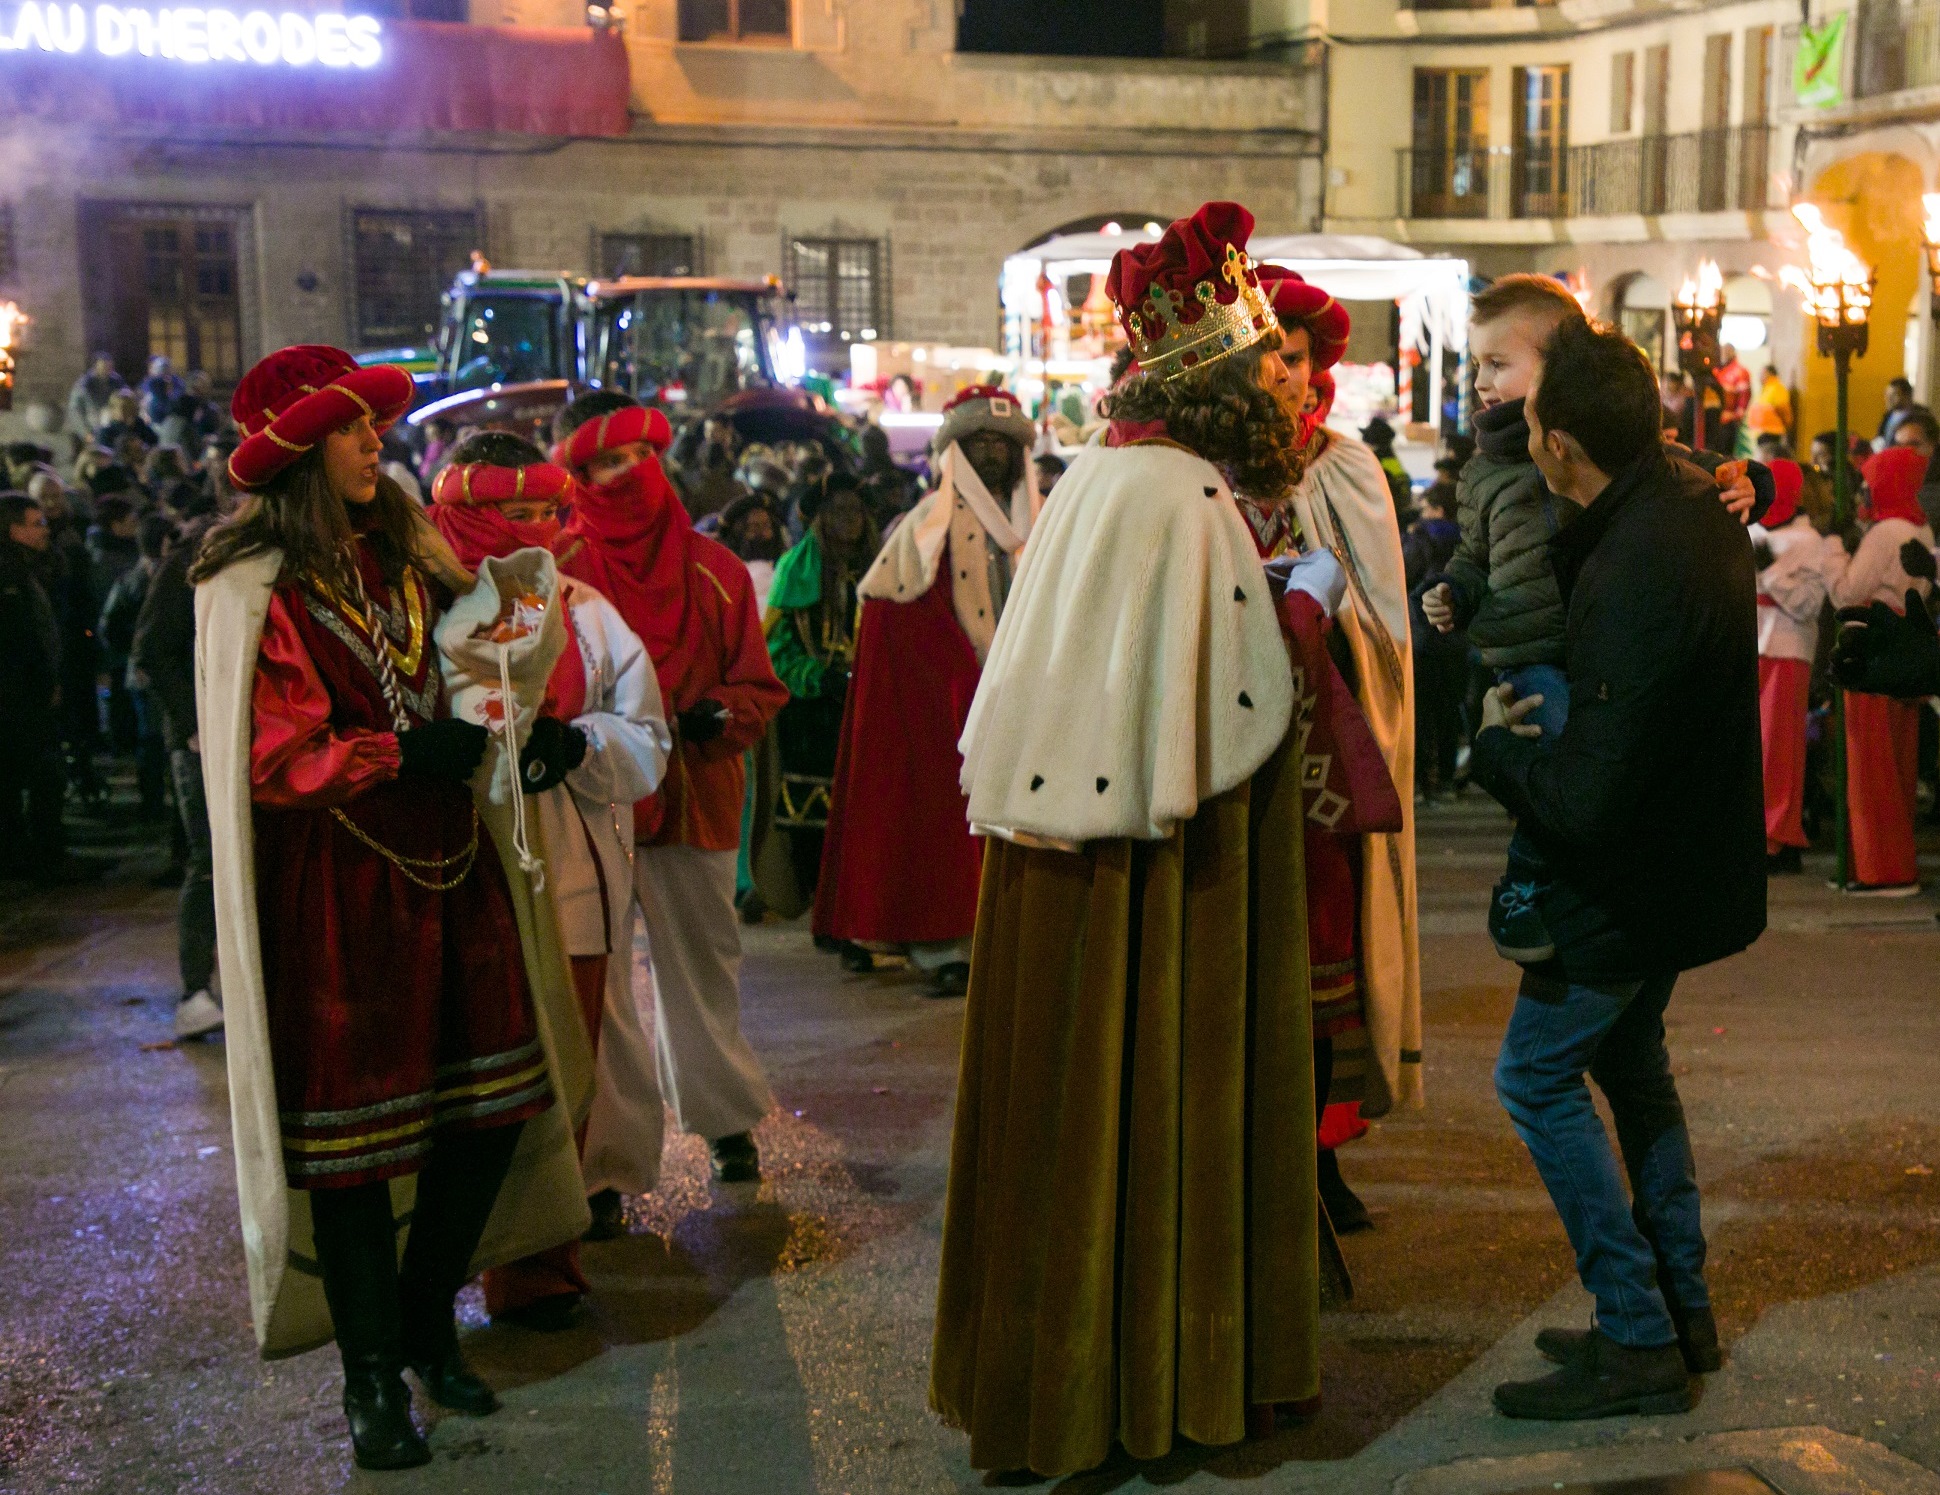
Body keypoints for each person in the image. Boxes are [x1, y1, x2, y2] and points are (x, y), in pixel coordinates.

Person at [936, 200, 1395, 1476]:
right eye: (1261, 365)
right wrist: (1298, 609)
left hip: (1069, 865)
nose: (1279, 385)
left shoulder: (1102, 481)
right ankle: (1147, 1383)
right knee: (1142, 1098)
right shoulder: (1184, 497)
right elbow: (1223, 707)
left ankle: (1073, 1377)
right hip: (1162, 878)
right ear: (1215, 382)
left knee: (1064, 1116)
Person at [190, 345, 592, 1470]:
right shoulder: (252, 585)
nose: (379, 441)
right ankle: (372, 1375)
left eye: (376, 424)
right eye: (356, 427)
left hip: (452, 863)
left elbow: (477, 671)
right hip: (340, 885)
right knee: (359, 1149)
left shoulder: (411, 560)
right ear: (304, 449)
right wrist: (399, 750)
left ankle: (425, 1320)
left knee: (493, 1107)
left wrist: (520, 717)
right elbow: (278, 754)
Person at [1470, 317, 1764, 1421]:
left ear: (1560, 447)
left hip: (1626, 881)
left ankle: (1637, 1331)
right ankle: (1676, 1309)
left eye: (1533, 416)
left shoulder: (1638, 556)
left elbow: (1591, 792)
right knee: (1630, 1065)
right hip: (1678, 866)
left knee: (1533, 1078)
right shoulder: (1678, 505)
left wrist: (1496, 751)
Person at [426, 430, 673, 1322]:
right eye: (509, 513)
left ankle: (538, 1266)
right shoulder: (417, 611)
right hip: (447, 881)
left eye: (541, 511)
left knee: (561, 1071)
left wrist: (575, 743)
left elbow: (646, 735)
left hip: (565, 877)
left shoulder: (589, 612)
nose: (531, 530)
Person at [550, 390, 786, 1184]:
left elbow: (759, 685)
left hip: (697, 797)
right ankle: (606, 1165)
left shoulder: (718, 573)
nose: (621, 477)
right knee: (604, 993)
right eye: (600, 466)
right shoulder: (561, 576)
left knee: (705, 971)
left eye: (631, 459)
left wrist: (728, 712)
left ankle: (724, 1119)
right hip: (597, 808)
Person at [1271, 266, 1421, 1226]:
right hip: (1236, 753)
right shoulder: (1202, 469)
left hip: (1323, 751)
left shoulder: (1344, 468)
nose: (1279, 375)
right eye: (1264, 358)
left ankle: (1319, 1165)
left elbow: (1382, 623)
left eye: (1292, 357)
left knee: (1327, 964)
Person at [814, 386, 1040, 997]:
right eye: (979, 443)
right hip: (957, 698)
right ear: (957, 450)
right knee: (944, 823)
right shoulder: (925, 526)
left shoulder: (1042, 522)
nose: (992, 454)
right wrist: (956, 672)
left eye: (1003, 443)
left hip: (1029, 692)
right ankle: (947, 942)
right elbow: (898, 613)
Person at [1422, 274, 1588, 963]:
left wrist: (1745, 482)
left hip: (1587, 643)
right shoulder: (1484, 471)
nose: (1480, 380)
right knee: (1555, 773)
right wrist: (1452, 594)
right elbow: (1473, 555)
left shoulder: (1589, 439)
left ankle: (1554, 887)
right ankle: (1522, 887)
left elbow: (1678, 468)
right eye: (1476, 364)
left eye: (1498, 363)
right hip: (1523, 650)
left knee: (1576, 778)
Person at [130, 496, 224, 1038]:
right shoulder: (191, 559)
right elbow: (151, 649)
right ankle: (195, 991)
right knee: (208, 860)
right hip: (195, 742)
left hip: (231, 734)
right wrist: (192, 723)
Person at [763, 471, 878, 909]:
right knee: (813, 814)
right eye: (837, 511)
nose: (848, 519)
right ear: (820, 518)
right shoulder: (797, 567)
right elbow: (776, 645)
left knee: (864, 812)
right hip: (813, 711)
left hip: (869, 704)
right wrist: (817, 677)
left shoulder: (880, 566)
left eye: (856, 510)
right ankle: (819, 901)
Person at [1824, 446, 1934, 893]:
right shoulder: (1919, 528)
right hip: (1907, 647)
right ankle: (1889, 863)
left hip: (1873, 648)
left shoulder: (1886, 531)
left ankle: (1880, 869)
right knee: (1897, 765)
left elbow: (1848, 591)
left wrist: (1834, 549)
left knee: (1870, 767)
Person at [1751, 460, 1833, 875]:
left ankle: (1777, 838)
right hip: (1752, 647)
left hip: (1787, 648)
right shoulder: (1752, 529)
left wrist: (1770, 572)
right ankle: (1755, 835)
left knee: (1778, 750)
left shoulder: (1808, 541)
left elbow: (1808, 605)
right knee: (1752, 748)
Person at [0, 493, 67, 883]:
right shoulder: (10, 576)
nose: (45, 530)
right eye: (35, 523)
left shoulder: (31, 568)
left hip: (31, 694)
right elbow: (19, 641)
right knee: (24, 777)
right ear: (12, 529)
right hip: (17, 698)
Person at [101, 512, 175, 821]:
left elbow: (108, 626)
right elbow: (110, 627)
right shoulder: (160, 581)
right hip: (153, 672)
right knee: (156, 740)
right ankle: (155, 802)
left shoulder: (129, 580)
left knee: (151, 739)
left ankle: (153, 800)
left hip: (141, 673)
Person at [1406, 481, 1465, 802]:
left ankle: (1421, 782)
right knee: (1448, 708)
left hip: (1424, 637)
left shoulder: (1420, 537)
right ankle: (1446, 777)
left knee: (1422, 712)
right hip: (1455, 636)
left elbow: (1404, 573)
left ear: (1438, 509)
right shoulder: (1465, 538)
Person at [65, 352, 126, 450]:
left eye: (109, 367)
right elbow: (75, 410)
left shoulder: (116, 381)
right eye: (104, 367)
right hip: (92, 428)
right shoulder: (84, 385)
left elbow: (125, 397)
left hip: (112, 426)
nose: (107, 370)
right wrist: (85, 433)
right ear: (96, 367)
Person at [1714, 343, 1751, 456]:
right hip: (1715, 420)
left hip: (1728, 420)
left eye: (1726, 351)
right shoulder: (1717, 370)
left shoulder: (1740, 371)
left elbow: (1744, 396)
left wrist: (1737, 416)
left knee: (1725, 454)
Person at [138, 354, 184, 426]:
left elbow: (177, 398)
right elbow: (143, 398)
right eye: (161, 372)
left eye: (166, 371)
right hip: (153, 418)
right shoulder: (150, 382)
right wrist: (145, 412)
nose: (164, 376)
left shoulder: (177, 382)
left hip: (172, 419)